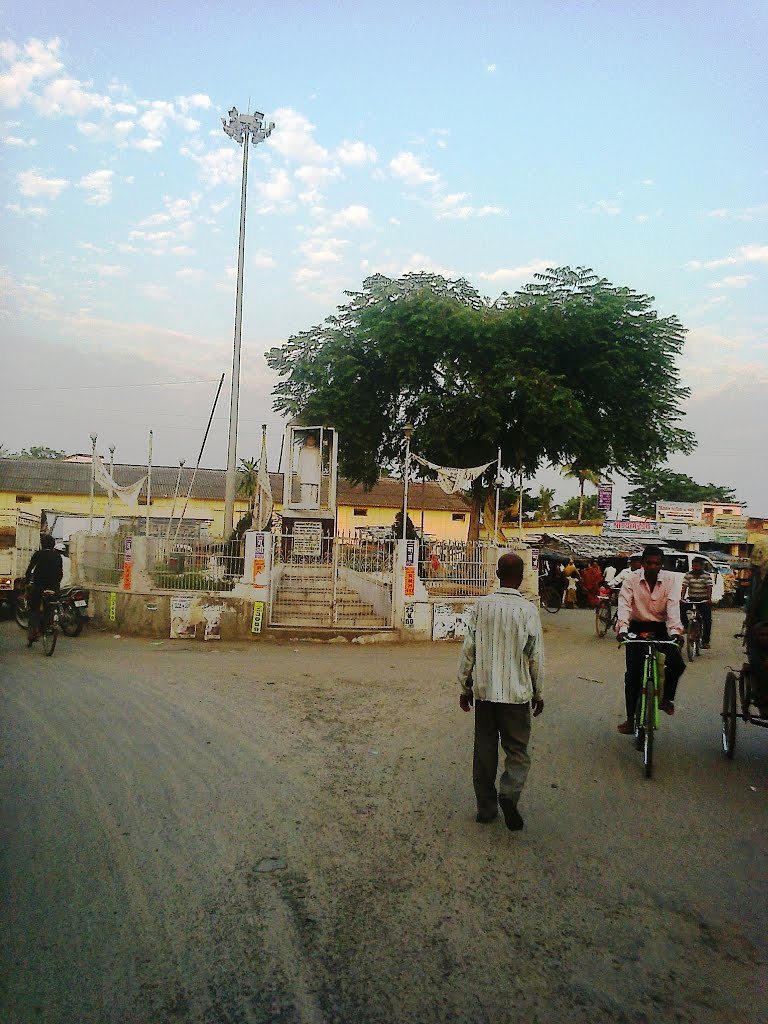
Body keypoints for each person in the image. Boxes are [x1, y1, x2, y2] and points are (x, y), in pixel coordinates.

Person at [457, 552, 544, 831]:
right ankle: (509, 792)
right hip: (516, 695)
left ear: (496, 575)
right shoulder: (529, 610)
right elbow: (535, 657)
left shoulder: (481, 606)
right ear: (521, 578)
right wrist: (539, 693)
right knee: (517, 750)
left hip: (484, 692)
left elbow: (468, 650)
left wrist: (464, 686)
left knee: (484, 751)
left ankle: (485, 808)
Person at [616, 544, 686, 732]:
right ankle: (631, 719)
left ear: (661, 564)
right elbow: (624, 605)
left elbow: (673, 607)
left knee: (678, 664)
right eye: (649, 563)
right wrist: (622, 628)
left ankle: (666, 699)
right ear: (642, 563)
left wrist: (675, 633)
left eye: (657, 563)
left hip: (660, 628)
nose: (653, 567)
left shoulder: (670, 580)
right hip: (636, 627)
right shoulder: (630, 580)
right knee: (633, 675)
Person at [24, 534, 63, 644]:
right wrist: (56, 586)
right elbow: (60, 573)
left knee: (34, 608)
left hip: (39, 586)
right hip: (53, 587)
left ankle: (34, 631)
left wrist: (27, 582)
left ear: (42, 544)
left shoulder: (38, 554)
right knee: (50, 607)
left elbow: (29, 569)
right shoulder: (57, 556)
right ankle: (49, 624)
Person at [680, 556, 713, 649]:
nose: (695, 568)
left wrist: (709, 599)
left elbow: (709, 587)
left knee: (707, 620)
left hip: (703, 600)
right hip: (691, 598)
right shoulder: (688, 575)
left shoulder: (706, 575)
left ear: (702, 566)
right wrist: (682, 598)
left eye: (697, 566)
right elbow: (684, 587)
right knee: (681, 606)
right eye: (693, 566)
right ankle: (687, 627)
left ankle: (705, 641)